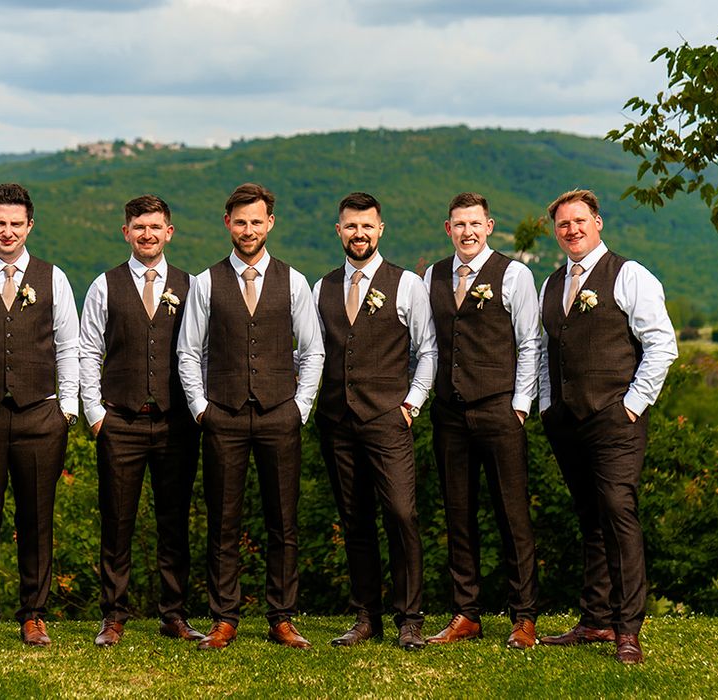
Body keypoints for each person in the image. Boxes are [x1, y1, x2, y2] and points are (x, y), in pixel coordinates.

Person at [178, 182, 324, 650]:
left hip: (280, 413)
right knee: (223, 520)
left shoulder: (294, 281)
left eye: (256, 221)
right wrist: (202, 409)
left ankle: (281, 617)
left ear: (270, 224)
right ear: (227, 224)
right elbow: (188, 352)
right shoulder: (206, 281)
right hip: (223, 415)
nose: (248, 229)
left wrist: (300, 407)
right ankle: (225, 618)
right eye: (240, 221)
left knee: (283, 521)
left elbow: (313, 350)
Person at [538, 189, 677, 664]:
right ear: (556, 232)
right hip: (566, 420)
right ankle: (595, 619)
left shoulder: (629, 274)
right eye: (562, 224)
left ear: (598, 222)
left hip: (617, 419)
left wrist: (632, 406)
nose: (571, 229)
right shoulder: (552, 283)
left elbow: (661, 345)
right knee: (590, 518)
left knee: (618, 513)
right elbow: (544, 351)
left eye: (580, 220)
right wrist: (545, 405)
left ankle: (627, 628)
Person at [313, 192, 436, 651]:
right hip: (336, 420)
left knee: (401, 515)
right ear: (339, 231)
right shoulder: (320, 287)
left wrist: (411, 404)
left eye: (367, 226)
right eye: (350, 226)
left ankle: (410, 618)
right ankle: (367, 616)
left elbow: (428, 350)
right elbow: (312, 352)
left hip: (388, 419)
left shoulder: (406, 284)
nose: (358, 233)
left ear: (380, 229)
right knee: (355, 518)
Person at [79, 195, 202, 647]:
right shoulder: (103, 285)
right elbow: (88, 350)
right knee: (117, 521)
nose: (147, 234)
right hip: (121, 421)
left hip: (176, 423)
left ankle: (174, 614)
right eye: (138, 226)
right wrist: (95, 415)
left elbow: (202, 353)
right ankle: (113, 616)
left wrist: (199, 407)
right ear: (125, 232)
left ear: (169, 232)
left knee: (175, 521)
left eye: (155, 226)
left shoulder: (193, 286)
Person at [423, 192, 540, 649]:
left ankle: (524, 616)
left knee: (513, 516)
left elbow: (530, 343)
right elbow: (427, 345)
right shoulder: (432, 275)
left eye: (475, 223)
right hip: (449, 414)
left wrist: (521, 405)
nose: (467, 232)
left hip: (499, 409)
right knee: (458, 514)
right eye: (459, 224)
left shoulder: (515, 274)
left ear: (489, 226)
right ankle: (466, 613)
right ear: (447, 228)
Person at [0, 183, 79, 651]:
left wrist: (66, 409)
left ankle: (33, 615)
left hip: (39, 417)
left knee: (36, 519)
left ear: (30, 226)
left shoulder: (55, 278)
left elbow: (70, 344)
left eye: (16, 223)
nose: (7, 232)